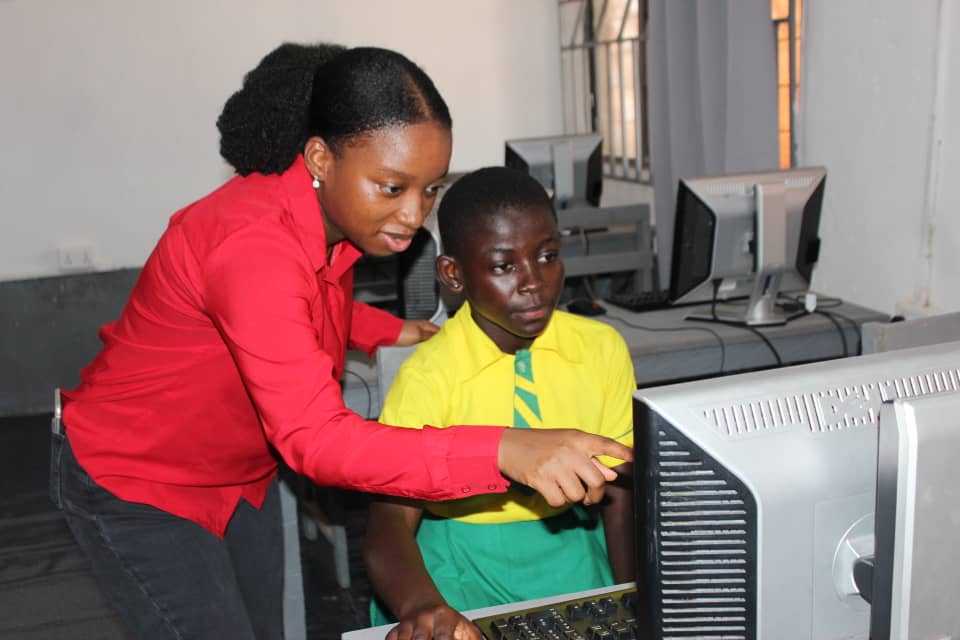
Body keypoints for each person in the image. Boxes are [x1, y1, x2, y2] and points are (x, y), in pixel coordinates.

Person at [50, 43, 632, 640]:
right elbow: (313, 437)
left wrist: (388, 328)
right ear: (321, 158)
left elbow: (311, 304)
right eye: (392, 187)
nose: (413, 216)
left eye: (430, 189)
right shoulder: (252, 245)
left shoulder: (336, 225)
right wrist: (503, 450)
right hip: (140, 479)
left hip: (235, 476)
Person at [363, 166, 637, 640]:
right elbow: (387, 520)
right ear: (454, 273)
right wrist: (423, 604)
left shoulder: (601, 349)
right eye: (504, 265)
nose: (534, 282)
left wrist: (633, 597)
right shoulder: (430, 374)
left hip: (569, 557)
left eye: (547, 255)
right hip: (459, 570)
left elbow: (619, 492)